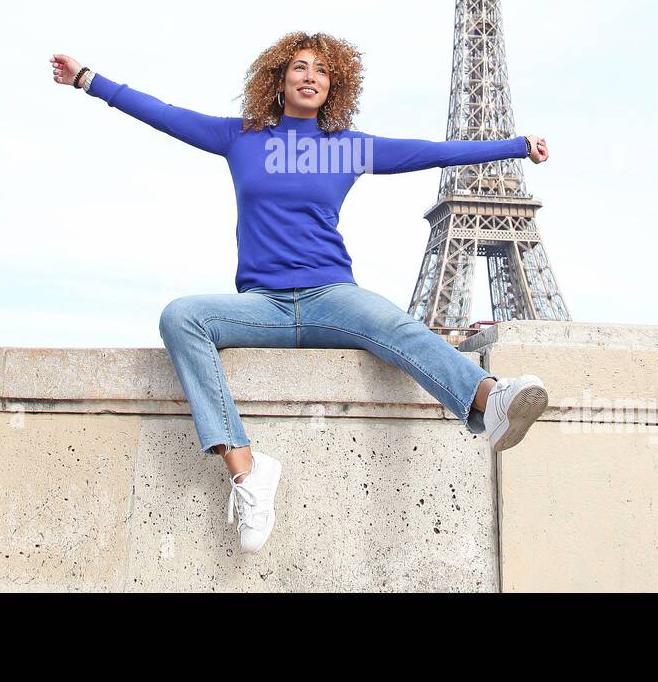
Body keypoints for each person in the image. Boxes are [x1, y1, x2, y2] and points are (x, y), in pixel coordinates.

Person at [50, 31, 551, 554]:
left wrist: (514, 146)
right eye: (300, 67)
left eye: (323, 71)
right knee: (181, 315)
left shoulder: (348, 148)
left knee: (395, 322)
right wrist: (88, 80)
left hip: (331, 297)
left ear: (335, 87)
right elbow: (161, 112)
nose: (311, 76)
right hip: (261, 305)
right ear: (279, 79)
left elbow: (432, 152)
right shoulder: (239, 137)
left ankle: (491, 399)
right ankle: (247, 472)